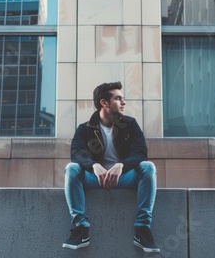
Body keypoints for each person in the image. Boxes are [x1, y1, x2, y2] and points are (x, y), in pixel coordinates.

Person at [62, 81, 160, 253]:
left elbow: (140, 153)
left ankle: (142, 229)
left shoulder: (129, 125)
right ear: (104, 103)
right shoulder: (85, 129)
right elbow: (77, 154)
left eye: (123, 98)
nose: (124, 102)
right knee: (71, 169)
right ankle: (81, 228)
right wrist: (95, 167)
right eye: (118, 98)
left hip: (125, 178)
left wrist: (121, 166)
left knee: (148, 167)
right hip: (95, 179)